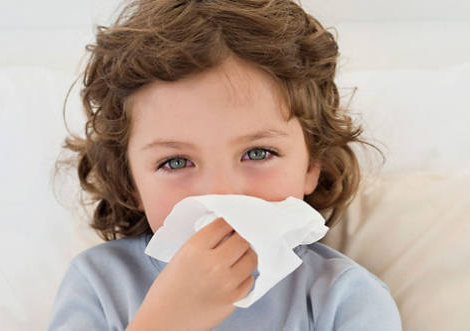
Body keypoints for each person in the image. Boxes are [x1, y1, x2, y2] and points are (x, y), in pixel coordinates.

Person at [48, 0, 401, 329]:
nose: (221, 193)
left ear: (314, 165)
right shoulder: (99, 283)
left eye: (258, 153)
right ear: (130, 182)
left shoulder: (343, 297)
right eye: (176, 162)